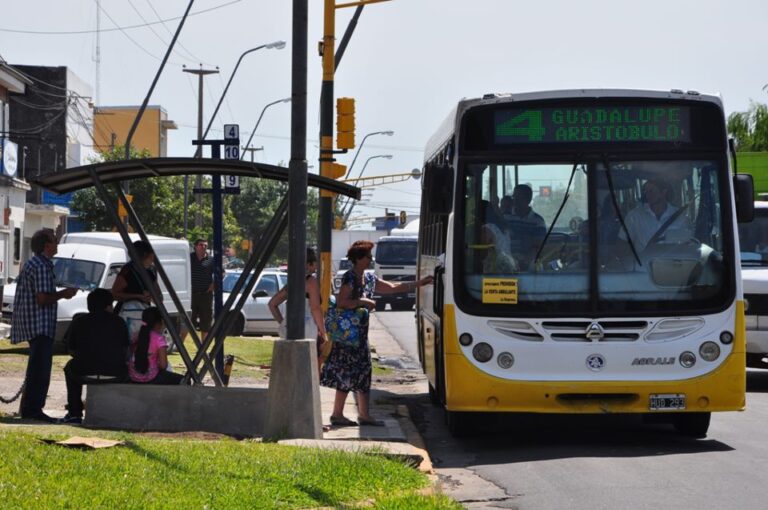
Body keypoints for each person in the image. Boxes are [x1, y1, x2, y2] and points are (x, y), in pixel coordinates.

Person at [320, 240, 433, 427]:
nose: (371, 260)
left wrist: (420, 283)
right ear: (357, 259)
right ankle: (345, 414)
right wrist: (363, 301)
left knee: (360, 374)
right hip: (348, 337)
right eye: (367, 257)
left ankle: (356, 414)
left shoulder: (369, 279)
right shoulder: (350, 277)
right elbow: (342, 302)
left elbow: (394, 287)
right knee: (351, 374)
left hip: (359, 336)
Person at [10, 229, 78, 422]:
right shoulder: (41, 266)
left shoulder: (36, 264)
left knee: (37, 368)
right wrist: (63, 294)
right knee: (40, 370)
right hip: (39, 324)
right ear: (47, 245)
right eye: (55, 241)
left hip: (34, 323)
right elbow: (42, 298)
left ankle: (29, 407)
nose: (57, 244)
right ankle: (33, 409)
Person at [60, 288, 130, 424]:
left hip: (83, 372)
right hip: (116, 374)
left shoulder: (79, 321)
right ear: (109, 306)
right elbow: (125, 350)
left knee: (70, 367)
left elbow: (71, 350)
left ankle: (74, 413)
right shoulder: (119, 322)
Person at [268, 248, 331, 370]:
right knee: (306, 368)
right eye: (314, 262)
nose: (316, 266)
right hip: (307, 329)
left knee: (290, 367)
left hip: (288, 328)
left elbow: (272, 304)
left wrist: (282, 322)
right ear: (308, 264)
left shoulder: (290, 283)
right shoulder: (310, 281)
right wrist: (323, 332)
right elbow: (315, 308)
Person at [620, 178, 693, 252]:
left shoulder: (681, 217)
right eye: (646, 192)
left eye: (651, 191)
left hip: (673, 262)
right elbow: (622, 243)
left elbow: (688, 245)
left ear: (664, 192)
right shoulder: (634, 216)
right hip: (643, 263)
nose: (648, 195)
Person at [111, 240, 163, 340]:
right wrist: (137, 296)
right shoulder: (127, 270)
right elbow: (115, 293)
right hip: (127, 317)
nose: (153, 258)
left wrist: (152, 296)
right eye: (151, 255)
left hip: (145, 316)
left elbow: (159, 297)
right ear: (144, 255)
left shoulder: (151, 271)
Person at [128, 307, 184, 385]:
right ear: (159, 323)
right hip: (151, 378)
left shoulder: (136, 336)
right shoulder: (159, 339)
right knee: (184, 380)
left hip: (133, 377)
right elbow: (163, 365)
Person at [504, 184, 546, 269]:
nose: (515, 201)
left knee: (537, 267)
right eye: (514, 197)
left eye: (518, 198)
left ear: (528, 200)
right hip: (507, 259)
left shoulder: (538, 221)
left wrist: (526, 259)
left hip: (529, 260)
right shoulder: (505, 218)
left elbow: (538, 247)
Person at [189, 239, 213, 341]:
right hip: (191, 295)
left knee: (206, 322)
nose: (203, 247)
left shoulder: (211, 260)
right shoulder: (189, 258)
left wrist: (214, 284)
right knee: (188, 321)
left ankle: (204, 346)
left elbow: (221, 273)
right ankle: (179, 345)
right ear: (195, 246)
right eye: (201, 245)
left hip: (205, 295)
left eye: (205, 246)